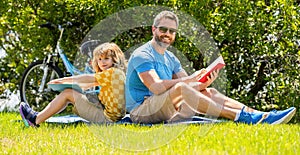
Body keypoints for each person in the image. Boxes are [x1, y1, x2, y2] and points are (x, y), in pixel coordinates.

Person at [125, 10, 296, 124]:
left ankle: (260, 115)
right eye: (163, 29)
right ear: (153, 29)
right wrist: (190, 80)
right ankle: (240, 117)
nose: (167, 34)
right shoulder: (143, 54)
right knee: (182, 87)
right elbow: (155, 87)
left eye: (172, 31)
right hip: (142, 111)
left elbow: (190, 87)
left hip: (164, 105)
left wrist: (204, 81)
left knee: (210, 92)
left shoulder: (170, 57)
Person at [20, 42, 127, 127]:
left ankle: (35, 119)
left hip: (107, 120)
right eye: (99, 59)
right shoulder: (115, 73)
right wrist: (68, 85)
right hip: (110, 117)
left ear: (114, 59)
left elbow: (87, 78)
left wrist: (63, 80)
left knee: (67, 93)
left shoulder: (113, 73)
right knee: (69, 93)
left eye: (106, 59)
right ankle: (39, 117)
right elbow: (86, 85)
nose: (102, 62)